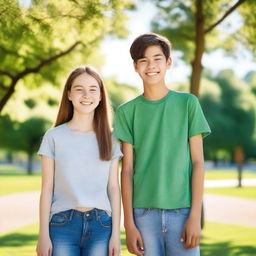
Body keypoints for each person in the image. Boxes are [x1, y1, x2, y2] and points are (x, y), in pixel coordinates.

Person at [114, 33, 211, 256]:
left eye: (157, 59)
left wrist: (195, 216)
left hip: (183, 212)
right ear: (135, 66)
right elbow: (126, 170)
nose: (151, 66)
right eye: (144, 60)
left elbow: (197, 163)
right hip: (143, 215)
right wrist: (129, 224)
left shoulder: (188, 103)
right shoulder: (127, 112)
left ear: (168, 63)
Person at [36, 66, 122, 256]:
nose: (86, 95)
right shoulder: (54, 137)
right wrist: (43, 235)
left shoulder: (111, 138)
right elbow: (47, 188)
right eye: (79, 89)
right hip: (62, 225)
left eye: (93, 89)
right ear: (69, 94)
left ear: (100, 97)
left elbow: (114, 188)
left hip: (101, 226)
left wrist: (116, 234)